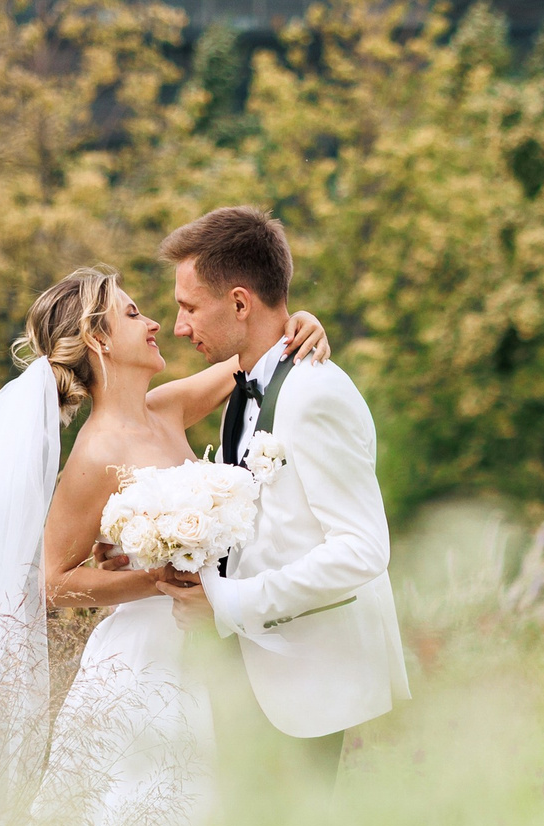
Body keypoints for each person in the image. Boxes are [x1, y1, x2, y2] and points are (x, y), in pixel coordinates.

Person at [0, 264, 329, 826]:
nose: (156, 323)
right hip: (140, 662)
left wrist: (301, 327)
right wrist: (148, 581)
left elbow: (254, 360)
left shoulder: (166, 407)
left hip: (200, 648)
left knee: (201, 821)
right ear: (98, 338)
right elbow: (51, 580)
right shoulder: (93, 454)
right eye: (132, 314)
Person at [108, 206, 411, 777]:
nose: (177, 326)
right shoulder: (248, 385)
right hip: (249, 669)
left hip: (302, 677)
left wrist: (229, 603)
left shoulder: (313, 394)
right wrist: (154, 549)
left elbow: (363, 549)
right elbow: (252, 522)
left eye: (189, 307)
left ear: (241, 303)